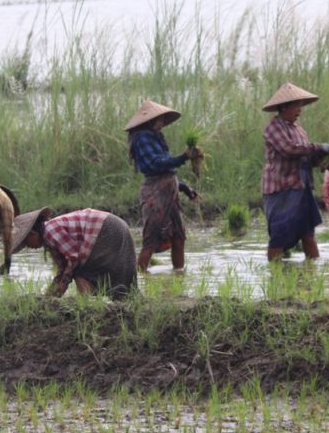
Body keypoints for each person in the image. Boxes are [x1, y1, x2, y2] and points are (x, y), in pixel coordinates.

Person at [261, 83, 329, 261]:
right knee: (279, 232)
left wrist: (323, 157)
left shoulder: (299, 130)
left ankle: (313, 269)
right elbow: (289, 149)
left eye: (301, 105)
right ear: (284, 107)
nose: (300, 110)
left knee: (307, 232)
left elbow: (306, 157)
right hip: (282, 188)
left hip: (301, 186)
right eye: (296, 105)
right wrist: (320, 146)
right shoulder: (274, 127)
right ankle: (275, 273)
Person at [125, 100, 203, 273]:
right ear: (150, 120)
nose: (162, 123)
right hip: (155, 195)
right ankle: (138, 278)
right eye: (160, 120)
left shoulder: (156, 137)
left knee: (178, 236)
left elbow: (168, 171)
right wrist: (184, 157)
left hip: (170, 194)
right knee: (151, 240)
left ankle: (178, 274)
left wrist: (185, 188)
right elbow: (156, 165)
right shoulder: (142, 138)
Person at [11, 207, 138, 300]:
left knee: (80, 271)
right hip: (113, 226)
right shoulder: (50, 237)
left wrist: (65, 279)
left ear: (33, 234)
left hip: (106, 228)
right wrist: (51, 295)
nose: (29, 247)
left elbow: (73, 258)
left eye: (27, 242)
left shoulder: (50, 231)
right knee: (117, 281)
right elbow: (63, 268)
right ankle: (93, 304)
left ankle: (86, 306)